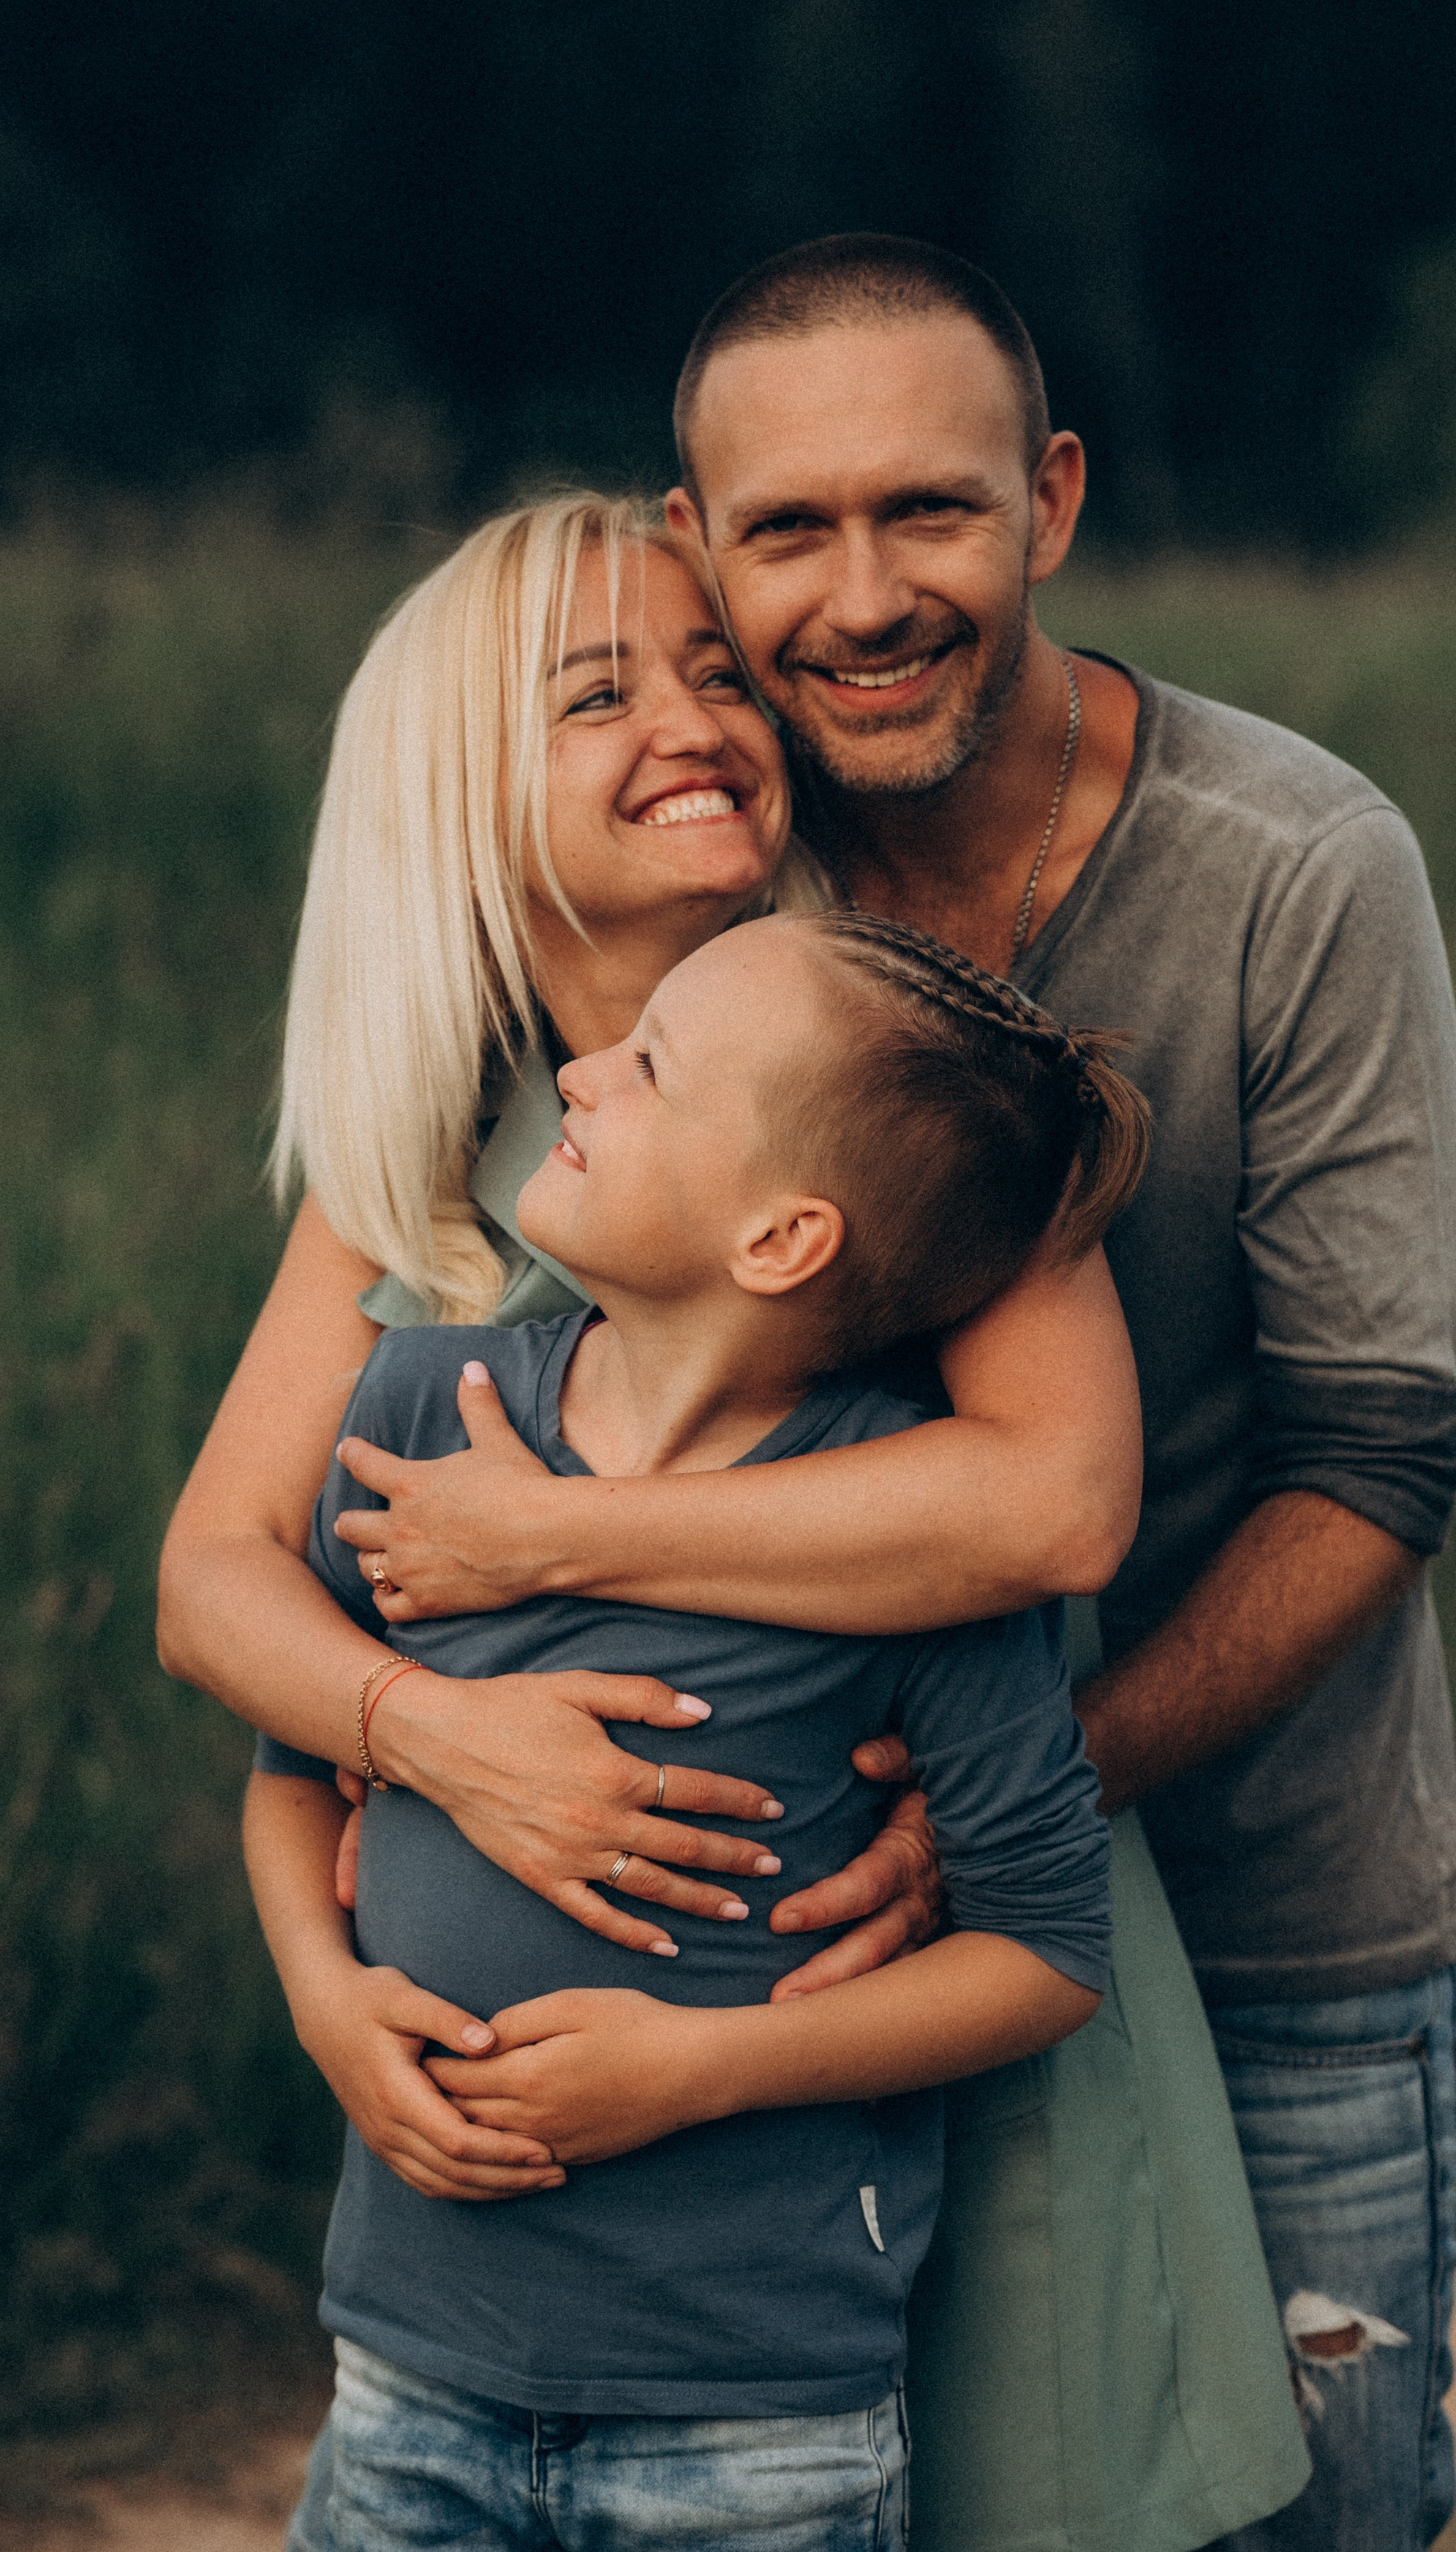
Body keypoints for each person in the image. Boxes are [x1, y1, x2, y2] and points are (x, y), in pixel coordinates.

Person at [350, 233, 1456, 2551]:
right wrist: (420, 1728)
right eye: (788, 532)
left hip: (1263, 1925)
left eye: (931, 513)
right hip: (806, 1973)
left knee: (1304, 2518)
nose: (867, 596)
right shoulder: (709, 903)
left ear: (1049, 499)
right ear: (701, 553)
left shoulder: (1299, 869)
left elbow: (1379, 1451)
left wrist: (992, 1819)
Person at [159, 493, 1308, 2550]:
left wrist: (546, 1548)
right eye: (596, 691)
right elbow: (216, 1578)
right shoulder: (441, 1133)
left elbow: (1055, 1505)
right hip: (491, 2264)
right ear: (462, 792)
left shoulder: (878, 1080)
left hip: (856, 2037)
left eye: (714, 670)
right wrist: (422, 1748)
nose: (691, 717)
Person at [246, 907, 1124, 2551]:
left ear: (781, 1240)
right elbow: (294, 1773)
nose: (579, 1070)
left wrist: (703, 2070)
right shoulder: (421, 1413)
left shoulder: (902, 1546)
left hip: (750, 2436)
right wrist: (319, 1993)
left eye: (647, 1066)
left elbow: (1047, 1953)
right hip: (407, 2375)